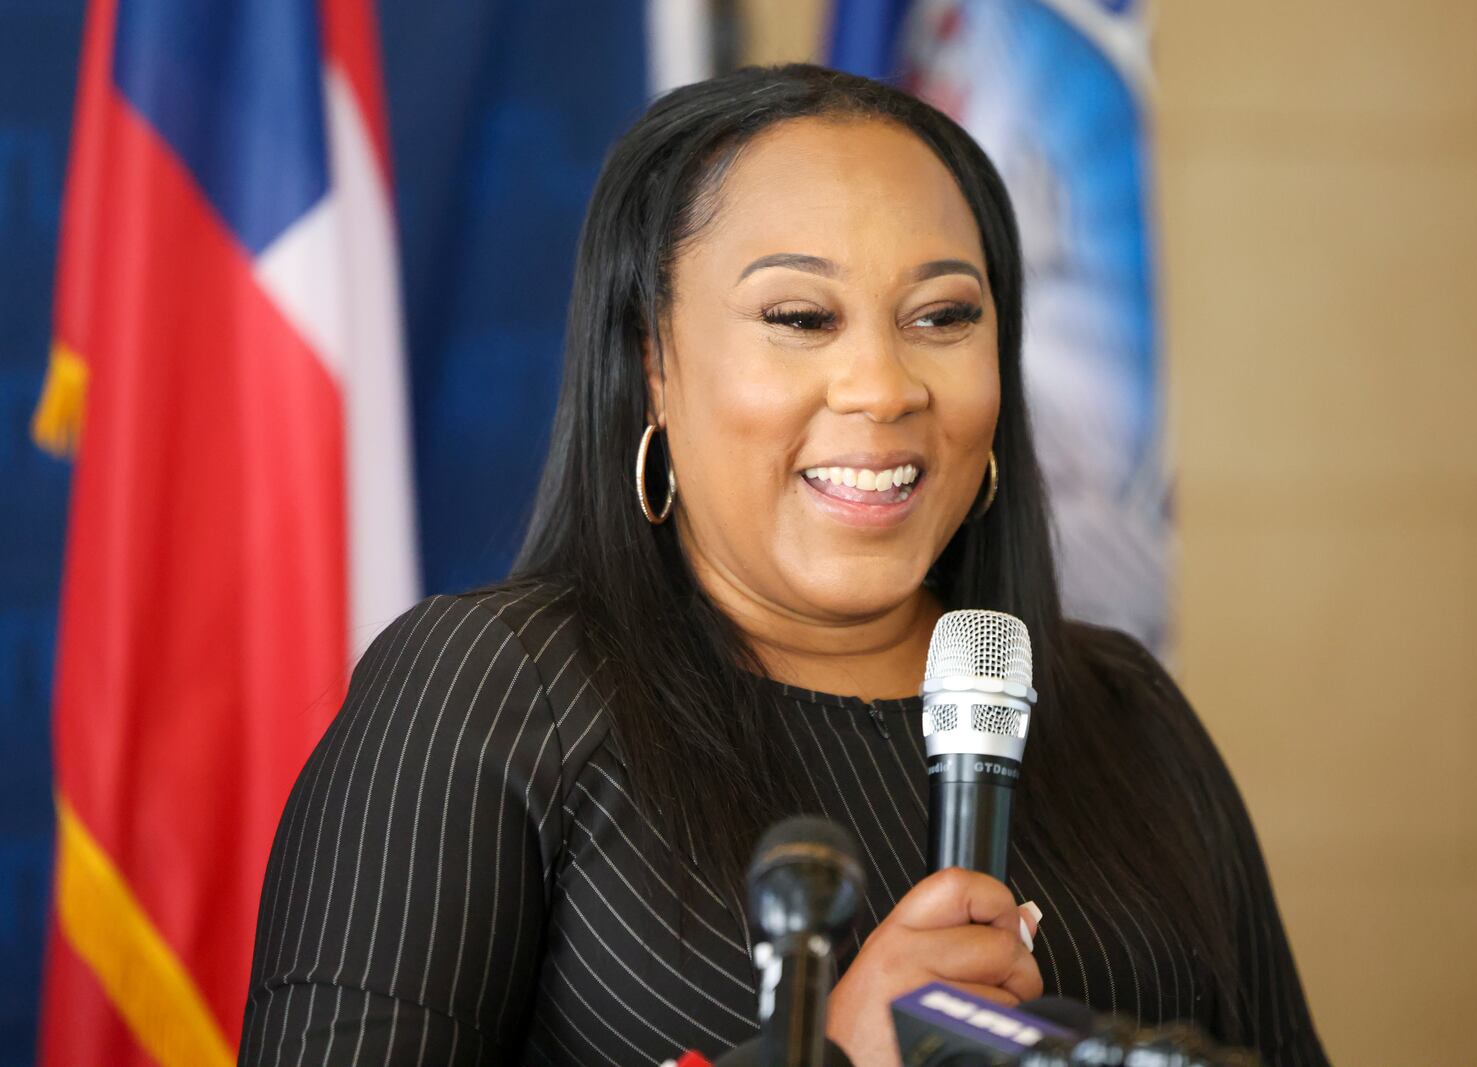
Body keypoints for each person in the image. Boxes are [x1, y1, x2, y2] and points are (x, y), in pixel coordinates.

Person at [239, 64, 1327, 1067]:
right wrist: (826, 1052)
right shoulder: (484, 690)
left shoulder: (1124, 714)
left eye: (943, 315)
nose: (882, 385)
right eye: (801, 316)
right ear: (651, 363)